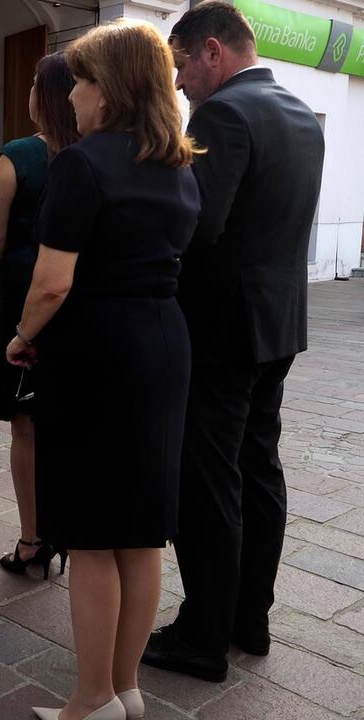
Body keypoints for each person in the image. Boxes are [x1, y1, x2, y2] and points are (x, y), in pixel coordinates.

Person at [5, 20, 200, 720]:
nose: (76, 95)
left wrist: (23, 336)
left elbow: (53, 282)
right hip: (163, 346)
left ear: (110, 88)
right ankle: (127, 690)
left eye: (84, 80)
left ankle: (89, 701)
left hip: (97, 352)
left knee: (89, 535)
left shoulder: (81, 164)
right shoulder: (178, 164)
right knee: (141, 533)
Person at [141, 1, 325, 683]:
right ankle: (251, 616)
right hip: (278, 323)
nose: (181, 84)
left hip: (220, 328)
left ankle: (203, 635)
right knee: (259, 468)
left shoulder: (222, 114)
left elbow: (199, 227)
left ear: (212, 51)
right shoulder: (300, 112)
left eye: (182, 66)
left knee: (208, 478)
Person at [0, 52, 79, 579]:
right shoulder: (98, 154)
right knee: (68, 420)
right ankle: (71, 531)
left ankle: (32, 540)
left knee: (26, 423)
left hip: (28, 297)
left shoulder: (17, 155)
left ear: (42, 97)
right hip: (79, 298)